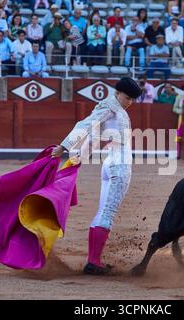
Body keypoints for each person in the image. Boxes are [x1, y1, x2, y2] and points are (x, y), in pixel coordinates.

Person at [50, 77, 143, 275]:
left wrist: (78, 158)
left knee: (103, 211)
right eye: (127, 97)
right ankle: (93, 262)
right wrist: (64, 146)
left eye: (133, 99)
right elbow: (84, 125)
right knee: (107, 213)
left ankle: (94, 260)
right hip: (119, 166)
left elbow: (92, 137)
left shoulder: (114, 109)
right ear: (117, 93)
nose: (130, 102)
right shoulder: (110, 107)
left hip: (109, 164)